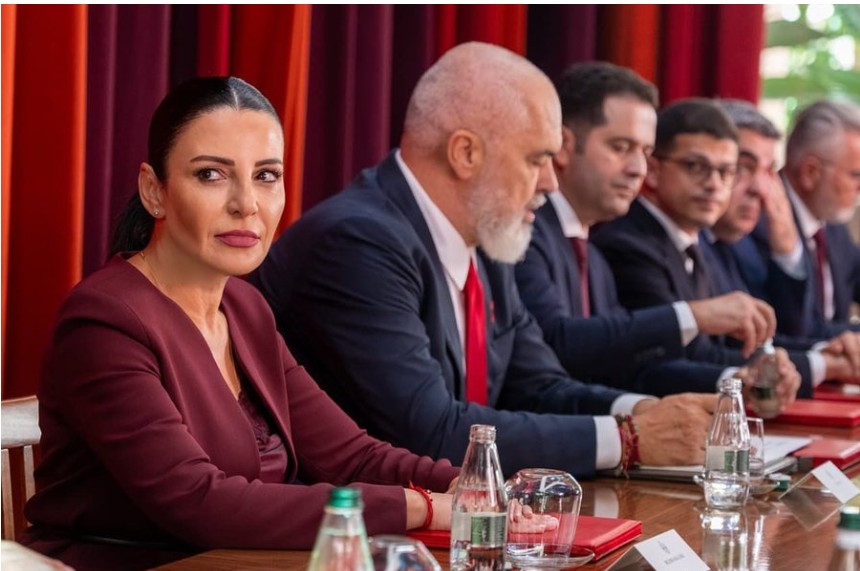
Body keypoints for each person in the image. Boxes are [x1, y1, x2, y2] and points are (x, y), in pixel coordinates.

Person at [20, 77, 459, 571]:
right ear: (154, 190)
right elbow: (199, 501)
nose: (246, 203)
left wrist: (471, 485)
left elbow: (352, 457)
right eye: (211, 174)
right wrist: (420, 506)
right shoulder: (104, 321)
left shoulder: (246, 309)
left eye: (267, 175)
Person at [251, 42, 717, 481]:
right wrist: (628, 440)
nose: (551, 182)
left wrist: (644, 411)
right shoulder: (358, 242)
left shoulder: (488, 239)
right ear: (465, 153)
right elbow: (429, 432)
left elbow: (540, 387)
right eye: (537, 159)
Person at [514, 62, 780, 396]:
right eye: (620, 147)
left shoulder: (593, 255)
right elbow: (556, 342)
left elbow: (627, 367)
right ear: (565, 146)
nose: (638, 169)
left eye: (645, 151)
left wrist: (738, 380)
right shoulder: (525, 233)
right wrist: (691, 316)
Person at [591, 99, 806, 401]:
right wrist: (747, 377)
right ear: (653, 170)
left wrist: (773, 363)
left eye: (727, 171)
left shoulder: (696, 242)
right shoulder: (628, 243)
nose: (714, 184)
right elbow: (670, 357)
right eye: (695, 167)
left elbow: (729, 344)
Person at [706, 99, 860, 383]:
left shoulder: (834, 227)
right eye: (741, 167)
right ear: (810, 172)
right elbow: (784, 331)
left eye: (767, 170)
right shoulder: (746, 229)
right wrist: (828, 359)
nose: (761, 188)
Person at [734, 100, 860, 339]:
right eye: (856, 175)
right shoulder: (752, 224)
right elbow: (796, 330)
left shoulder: (832, 221)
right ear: (811, 172)